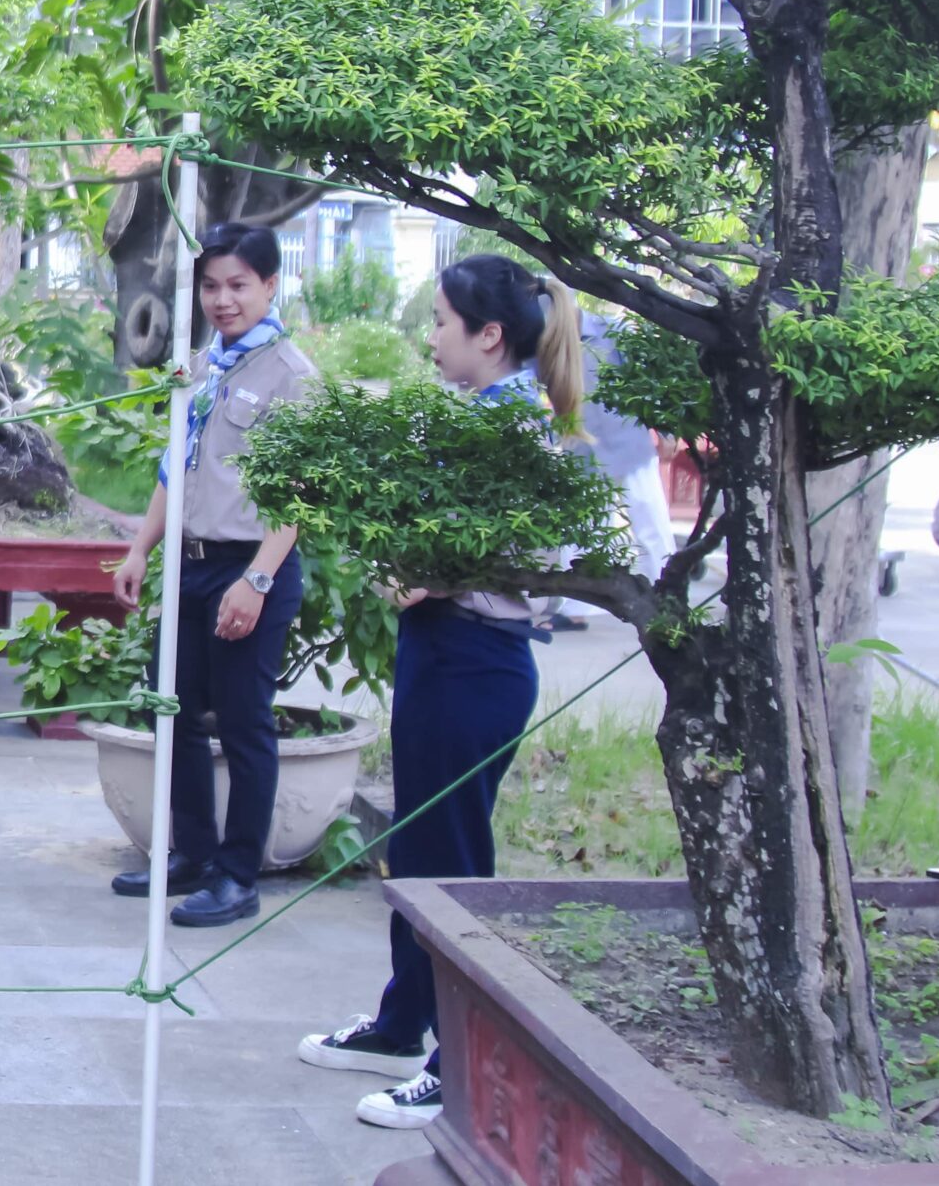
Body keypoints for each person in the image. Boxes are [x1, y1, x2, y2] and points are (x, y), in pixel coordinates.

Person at [298, 253, 580, 1131]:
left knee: (451, 865)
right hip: (441, 650)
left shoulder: (515, 429)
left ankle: (458, 1063)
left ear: (488, 335)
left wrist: (436, 569)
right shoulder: (474, 417)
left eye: (440, 322)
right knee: (420, 847)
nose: (430, 338)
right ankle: (402, 1023)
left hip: (477, 659)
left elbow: (531, 558)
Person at [107, 222, 316, 928]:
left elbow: (296, 498)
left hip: (251, 566)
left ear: (270, 285)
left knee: (244, 722)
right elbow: (178, 467)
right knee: (174, 707)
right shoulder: (202, 367)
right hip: (191, 564)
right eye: (211, 286)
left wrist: (256, 582)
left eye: (238, 285)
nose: (223, 300)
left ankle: (237, 875)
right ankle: (192, 852)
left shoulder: (291, 376)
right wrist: (141, 548)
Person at [547, 309, 673, 630]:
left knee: (649, 520)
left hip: (627, 442)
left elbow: (648, 383)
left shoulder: (611, 330)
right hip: (581, 447)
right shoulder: (548, 340)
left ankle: (670, 600)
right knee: (583, 529)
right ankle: (576, 609)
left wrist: (666, 431)